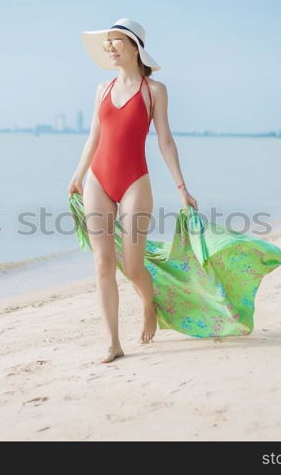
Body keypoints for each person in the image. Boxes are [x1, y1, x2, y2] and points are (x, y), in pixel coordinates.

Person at [68, 18, 197, 363]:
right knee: (102, 263)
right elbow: (94, 137)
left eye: (116, 41)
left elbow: (165, 140)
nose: (109, 47)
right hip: (98, 180)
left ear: (135, 48)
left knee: (133, 264)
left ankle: (147, 302)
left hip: (135, 182)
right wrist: (78, 174)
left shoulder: (154, 91)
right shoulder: (102, 89)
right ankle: (113, 343)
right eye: (107, 42)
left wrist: (181, 187)